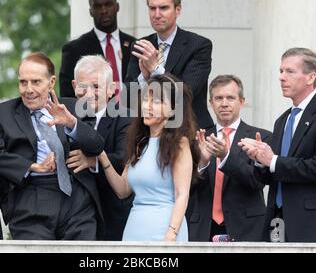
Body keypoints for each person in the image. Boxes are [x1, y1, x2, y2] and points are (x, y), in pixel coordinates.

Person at [0, 52, 105, 240]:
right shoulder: (3, 113)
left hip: (76, 200)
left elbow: (97, 145)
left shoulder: (74, 107)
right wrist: (30, 166)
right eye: (23, 82)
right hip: (30, 199)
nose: (28, 89)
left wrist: (71, 123)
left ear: (51, 82)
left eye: (36, 82)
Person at [239, 48, 316, 242]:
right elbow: (272, 174)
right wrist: (259, 160)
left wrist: (272, 159)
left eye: (290, 71)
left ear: (310, 77)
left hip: (314, 224)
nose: (282, 77)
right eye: (281, 71)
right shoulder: (282, 120)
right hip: (278, 223)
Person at [97, 73, 200, 241]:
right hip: (134, 228)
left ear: (173, 108)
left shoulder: (179, 143)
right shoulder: (140, 143)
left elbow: (182, 194)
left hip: (165, 229)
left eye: (157, 101)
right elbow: (123, 190)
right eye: (146, 99)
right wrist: (102, 157)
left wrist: (171, 235)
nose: (148, 106)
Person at [186, 75, 271, 242]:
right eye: (218, 98)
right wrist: (202, 163)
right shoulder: (197, 139)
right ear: (210, 102)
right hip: (203, 227)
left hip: (246, 227)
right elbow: (186, 188)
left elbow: (258, 181)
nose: (224, 103)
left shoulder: (260, 137)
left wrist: (226, 157)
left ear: (241, 101)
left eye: (230, 98)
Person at [125, 0, 213, 129]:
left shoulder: (199, 45)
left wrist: (155, 69)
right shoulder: (141, 45)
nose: (157, 14)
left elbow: (186, 93)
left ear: (177, 10)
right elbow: (127, 98)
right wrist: (144, 77)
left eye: (163, 8)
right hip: (149, 131)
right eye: (152, 8)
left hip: (190, 131)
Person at [67, 55, 133, 241]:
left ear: (111, 89)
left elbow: (122, 158)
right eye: (83, 86)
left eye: (96, 86)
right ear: (74, 86)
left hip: (112, 214)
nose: (89, 93)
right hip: (73, 217)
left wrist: (91, 161)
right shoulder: (66, 117)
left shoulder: (126, 117)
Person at [60, 0, 136, 98]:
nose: (104, 11)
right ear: (91, 11)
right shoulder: (74, 49)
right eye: (98, 6)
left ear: (117, 7)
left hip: (132, 113)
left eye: (108, 4)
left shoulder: (134, 45)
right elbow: (67, 95)